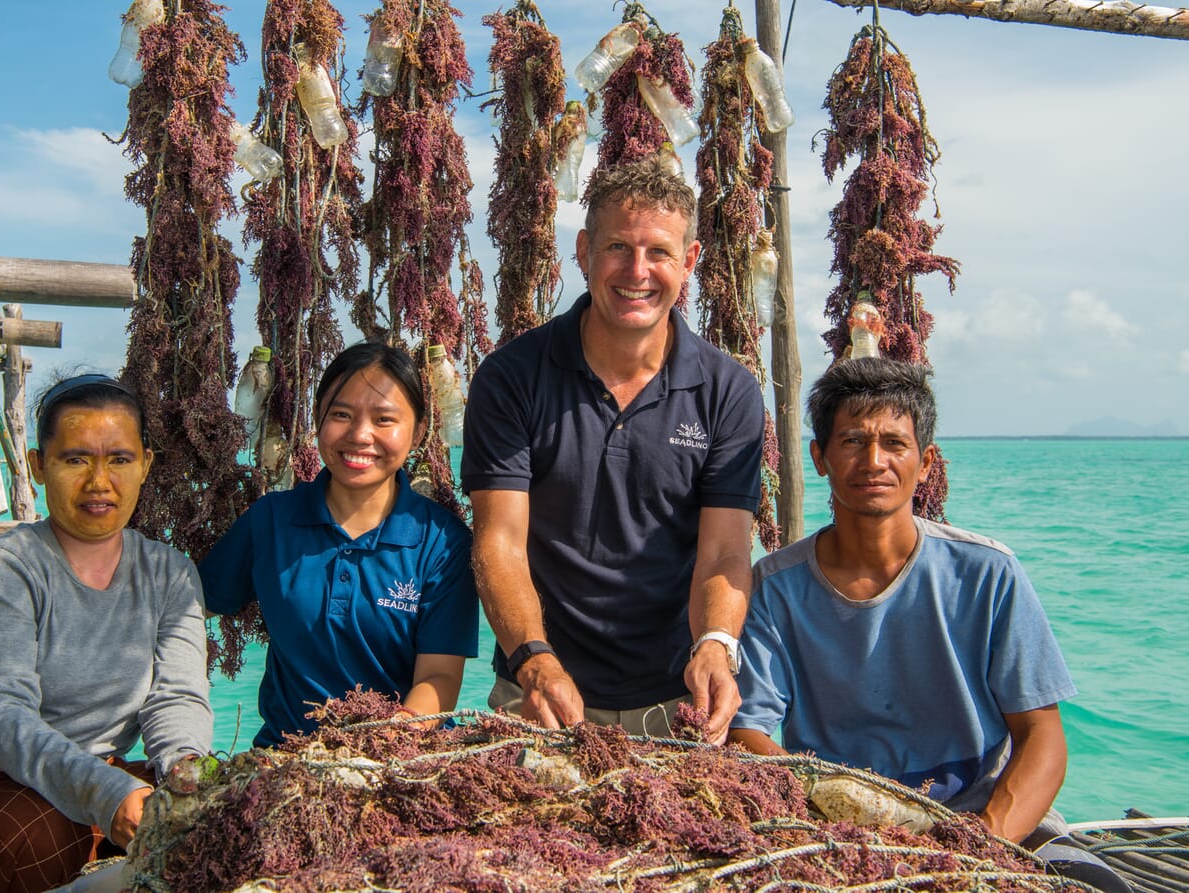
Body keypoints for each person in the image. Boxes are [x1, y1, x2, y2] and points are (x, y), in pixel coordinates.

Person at [728, 357, 1129, 893]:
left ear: (926, 461)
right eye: (852, 441)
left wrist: (980, 846)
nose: (874, 461)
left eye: (895, 443)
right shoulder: (775, 587)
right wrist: (835, 812)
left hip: (986, 816)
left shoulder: (988, 573)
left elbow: (1041, 738)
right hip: (836, 827)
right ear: (819, 457)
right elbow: (748, 731)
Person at [0, 373, 213, 892]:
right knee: (36, 835)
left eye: (119, 458)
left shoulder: (171, 574)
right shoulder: (6, 569)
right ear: (37, 467)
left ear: (146, 464)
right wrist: (106, 793)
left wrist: (187, 775)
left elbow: (176, 697)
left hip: (80, 784)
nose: (99, 481)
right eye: (75, 459)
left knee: (214, 820)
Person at [461, 155, 766, 745]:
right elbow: (498, 539)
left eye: (659, 252)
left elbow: (726, 551)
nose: (638, 271)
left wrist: (716, 646)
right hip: (537, 691)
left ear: (691, 261)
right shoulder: (511, 377)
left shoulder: (729, 390)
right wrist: (533, 656)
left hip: (679, 699)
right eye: (618, 248)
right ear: (583, 252)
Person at [200, 342, 478, 745]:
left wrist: (396, 733)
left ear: (418, 431)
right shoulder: (271, 521)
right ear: (318, 420)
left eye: (384, 419)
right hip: (285, 758)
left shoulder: (443, 541)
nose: (360, 435)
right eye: (341, 415)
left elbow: (439, 677)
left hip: (403, 755)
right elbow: (190, 608)